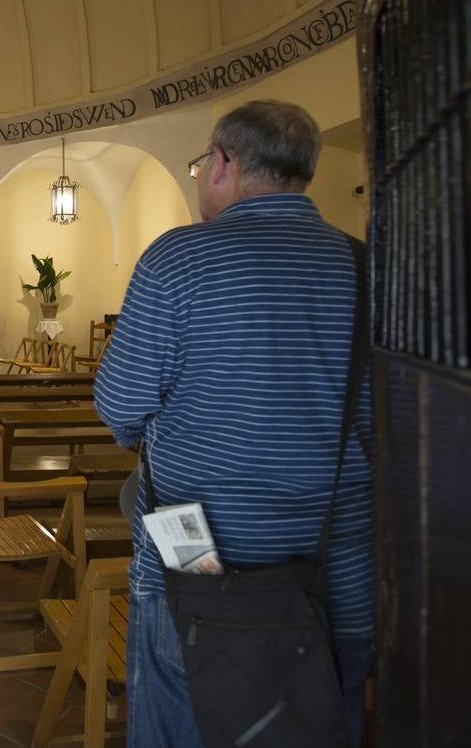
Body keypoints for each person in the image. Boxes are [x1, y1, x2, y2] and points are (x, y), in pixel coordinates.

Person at [93, 100, 373, 748]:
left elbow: (117, 407)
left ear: (222, 162)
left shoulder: (178, 261)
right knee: (317, 722)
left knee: (181, 716)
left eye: (198, 164)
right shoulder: (366, 265)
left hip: (196, 553)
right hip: (336, 557)